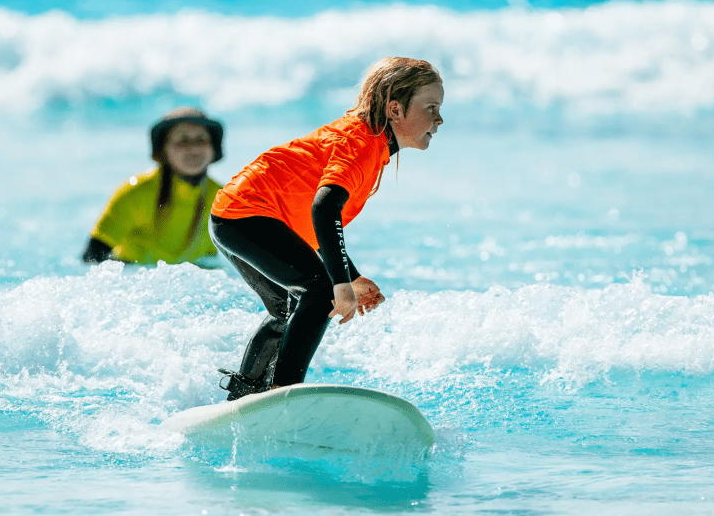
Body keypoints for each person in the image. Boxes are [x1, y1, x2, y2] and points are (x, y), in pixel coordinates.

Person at [211, 57, 444, 401]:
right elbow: (324, 208)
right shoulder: (363, 142)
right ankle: (283, 393)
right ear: (395, 109)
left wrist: (352, 275)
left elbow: (313, 224)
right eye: (431, 107)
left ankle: (245, 394)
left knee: (287, 309)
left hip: (234, 215)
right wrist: (339, 285)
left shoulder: (368, 141)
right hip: (249, 214)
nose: (439, 119)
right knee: (318, 293)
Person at [82, 107, 225, 266]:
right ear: (163, 149)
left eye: (201, 140)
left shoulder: (221, 200)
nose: (193, 148)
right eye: (183, 140)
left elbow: (210, 261)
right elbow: (90, 259)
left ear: (214, 147)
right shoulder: (135, 193)